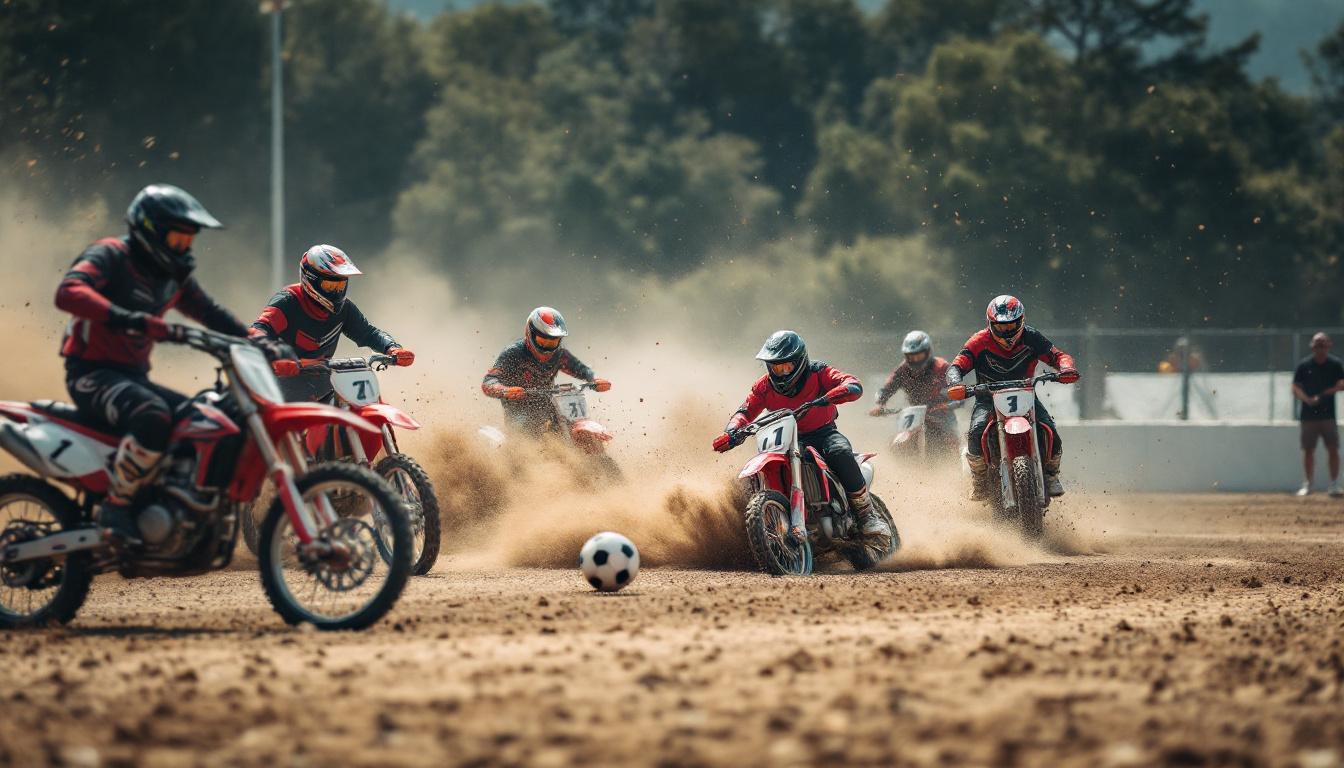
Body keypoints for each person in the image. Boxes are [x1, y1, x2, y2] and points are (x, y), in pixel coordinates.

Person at [56, 184, 290, 541]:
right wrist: (127, 317)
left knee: (207, 422)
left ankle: (172, 507)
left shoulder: (171, 278)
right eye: (179, 239)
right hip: (92, 373)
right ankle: (115, 508)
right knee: (153, 416)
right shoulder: (111, 255)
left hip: (134, 377)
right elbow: (69, 291)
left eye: (189, 241)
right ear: (150, 230)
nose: (185, 248)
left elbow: (210, 312)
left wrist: (261, 343)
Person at [712, 330, 891, 550]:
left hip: (822, 433)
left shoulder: (818, 372)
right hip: (783, 439)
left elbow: (851, 383)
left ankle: (866, 515)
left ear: (800, 361)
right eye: (775, 367)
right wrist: (731, 432)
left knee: (840, 452)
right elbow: (745, 411)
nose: (781, 372)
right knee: (746, 480)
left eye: (786, 366)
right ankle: (757, 533)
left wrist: (833, 395)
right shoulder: (764, 386)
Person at [946, 295, 1079, 500]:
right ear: (991, 324)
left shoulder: (1032, 337)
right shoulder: (979, 341)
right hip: (987, 397)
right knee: (975, 432)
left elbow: (1058, 356)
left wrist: (1066, 368)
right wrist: (955, 383)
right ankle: (979, 480)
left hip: (1025, 393)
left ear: (1021, 321)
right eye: (1001, 327)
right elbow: (957, 366)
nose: (1006, 331)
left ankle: (1051, 475)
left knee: (1050, 431)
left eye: (1011, 326)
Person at [250, 244, 414, 402]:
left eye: (340, 285)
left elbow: (368, 333)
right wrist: (273, 356)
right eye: (330, 285)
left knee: (357, 404)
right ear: (310, 279)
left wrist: (392, 348)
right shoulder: (287, 302)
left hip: (323, 378)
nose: (337, 292)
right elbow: (259, 329)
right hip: (281, 383)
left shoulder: (345, 309)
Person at [481, 307, 610, 435]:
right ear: (530, 333)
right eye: (543, 341)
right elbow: (489, 382)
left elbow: (582, 370)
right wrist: (505, 391)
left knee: (573, 416)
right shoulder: (513, 353)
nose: (548, 347)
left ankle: (590, 447)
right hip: (519, 410)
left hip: (549, 404)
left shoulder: (559, 354)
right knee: (527, 436)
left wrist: (595, 379)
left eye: (553, 342)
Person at [869, 330, 962, 453]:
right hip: (915, 414)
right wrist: (879, 404)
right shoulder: (902, 370)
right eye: (911, 356)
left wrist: (947, 404)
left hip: (942, 413)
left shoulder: (942, 367)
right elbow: (886, 389)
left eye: (919, 355)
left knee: (950, 441)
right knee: (898, 444)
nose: (915, 359)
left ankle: (954, 462)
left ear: (928, 352)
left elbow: (959, 393)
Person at [1291, 332, 1344, 497]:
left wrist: (1330, 391)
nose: (1320, 348)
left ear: (1328, 345)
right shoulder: (1304, 365)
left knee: (1333, 448)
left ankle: (1334, 484)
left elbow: (1342, 383)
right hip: (1308, 416)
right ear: (1312, 347)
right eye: (1317, 344)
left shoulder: (1335, 364)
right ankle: (1308, 484)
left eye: (1323, 344)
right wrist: (1307, 399)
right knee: (1308, 450)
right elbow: (1295, 387)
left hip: (1328, 415)